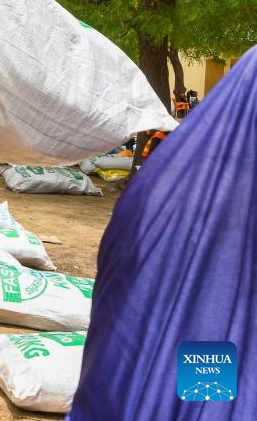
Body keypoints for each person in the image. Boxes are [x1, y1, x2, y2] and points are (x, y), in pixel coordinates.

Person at [68, 45, 256, 420]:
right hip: (203, 334)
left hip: (197, 334)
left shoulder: (172, 180)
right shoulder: (186, 193)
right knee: (207, 385)